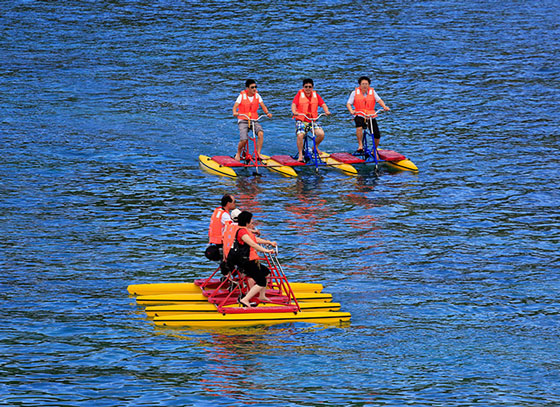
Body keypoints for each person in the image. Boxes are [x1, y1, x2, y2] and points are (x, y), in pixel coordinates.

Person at [227, 211, 277, 307]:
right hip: (247, 262)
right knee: (261, 281)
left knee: (266, 272)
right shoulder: (241, 232)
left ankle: (262, 296)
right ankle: (245, 299)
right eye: (251, 221)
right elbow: (253, 244)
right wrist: (266, 251)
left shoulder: (246, 231)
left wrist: (269, 242)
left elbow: (256, 240)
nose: (252, 222)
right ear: (247, 222)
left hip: (251, 260)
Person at [346, 76, 390, 154]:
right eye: (363, 84)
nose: (365, 85)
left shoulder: (372, 92)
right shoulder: (354, 93)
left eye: (366, 84)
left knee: (377, 134)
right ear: (359, 85)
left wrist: (384, 107)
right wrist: (351, 111)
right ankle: (360, 145)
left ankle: (374, 150)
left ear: (369, 85)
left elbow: (379, 100)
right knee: (359, 126)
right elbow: (349, 103)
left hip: (371, 115)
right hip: (359, 113)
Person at [291, 78, 331, 162]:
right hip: (301, 120)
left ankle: (315, 147)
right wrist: (294, 112)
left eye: (310, 87)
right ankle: (300, 155)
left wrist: (326, 111)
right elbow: (294, 104)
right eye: (306, 87)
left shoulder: (316, 95)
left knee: (321, 134)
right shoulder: (299, 95)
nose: (308, 89)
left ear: (312, 87)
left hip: (313, 120)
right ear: (303, 87)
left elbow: (323, 104)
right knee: (300, 135)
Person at [232, 79, 273, 161]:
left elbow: (263, 105)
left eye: (255, 87)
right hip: (243, 119)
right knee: (244, 139)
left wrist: (267, 113)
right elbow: (235, 106)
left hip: (254, 119)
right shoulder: (241, 96)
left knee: (260, 133)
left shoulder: (257, 96)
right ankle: (238, 153)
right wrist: (234, 112)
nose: (254, 89)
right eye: (252, 87)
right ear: (247, 88)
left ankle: (258, 153)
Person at [206, 194, 236, 261]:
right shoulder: (225, 215)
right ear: (228, 203)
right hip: (222, 244)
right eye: (234, 202)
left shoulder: (217, 211)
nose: (235, 204)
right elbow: (233, 228)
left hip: (214, 242)